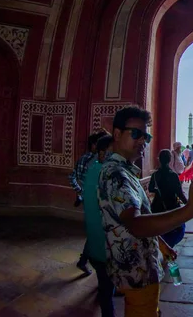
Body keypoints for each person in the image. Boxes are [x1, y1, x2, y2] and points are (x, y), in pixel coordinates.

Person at [97, 105, 193, 316]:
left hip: (141, 268)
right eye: (136, 134)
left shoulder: (125, 172)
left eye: (145, 136)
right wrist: (191, 209)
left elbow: (137, 220)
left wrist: (161, 245)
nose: (142, 141)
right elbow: (136, 224)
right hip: (136, 273)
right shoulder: (116, 174)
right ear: (117, 134)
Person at [82, 134, 115, 316]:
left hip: (97, 244)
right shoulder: (104, 173)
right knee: (105, 291)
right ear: (102, 153)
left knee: (105, 285)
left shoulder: (94, 168)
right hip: (104, 247)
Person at [69, 130, 108, 274]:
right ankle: (85, 260)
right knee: (97, 232)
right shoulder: (92, 161)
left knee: (95, 231)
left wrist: (81, 193)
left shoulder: (94, 160)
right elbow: (72, 177)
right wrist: (81, 192)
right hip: (95, 200)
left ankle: (85, 260)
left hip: (90, 199)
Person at [149, 150, 189, 248]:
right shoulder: (173, 175)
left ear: (159, 160)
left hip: (157, 205)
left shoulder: (155, 175)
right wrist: (188, 204)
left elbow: (150, 188)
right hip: (172, 205)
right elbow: (179, 192)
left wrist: (159, 190)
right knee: (174, 230)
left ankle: (163, 251)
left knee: (159, 230)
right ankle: (168, 251)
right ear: (170, 160)